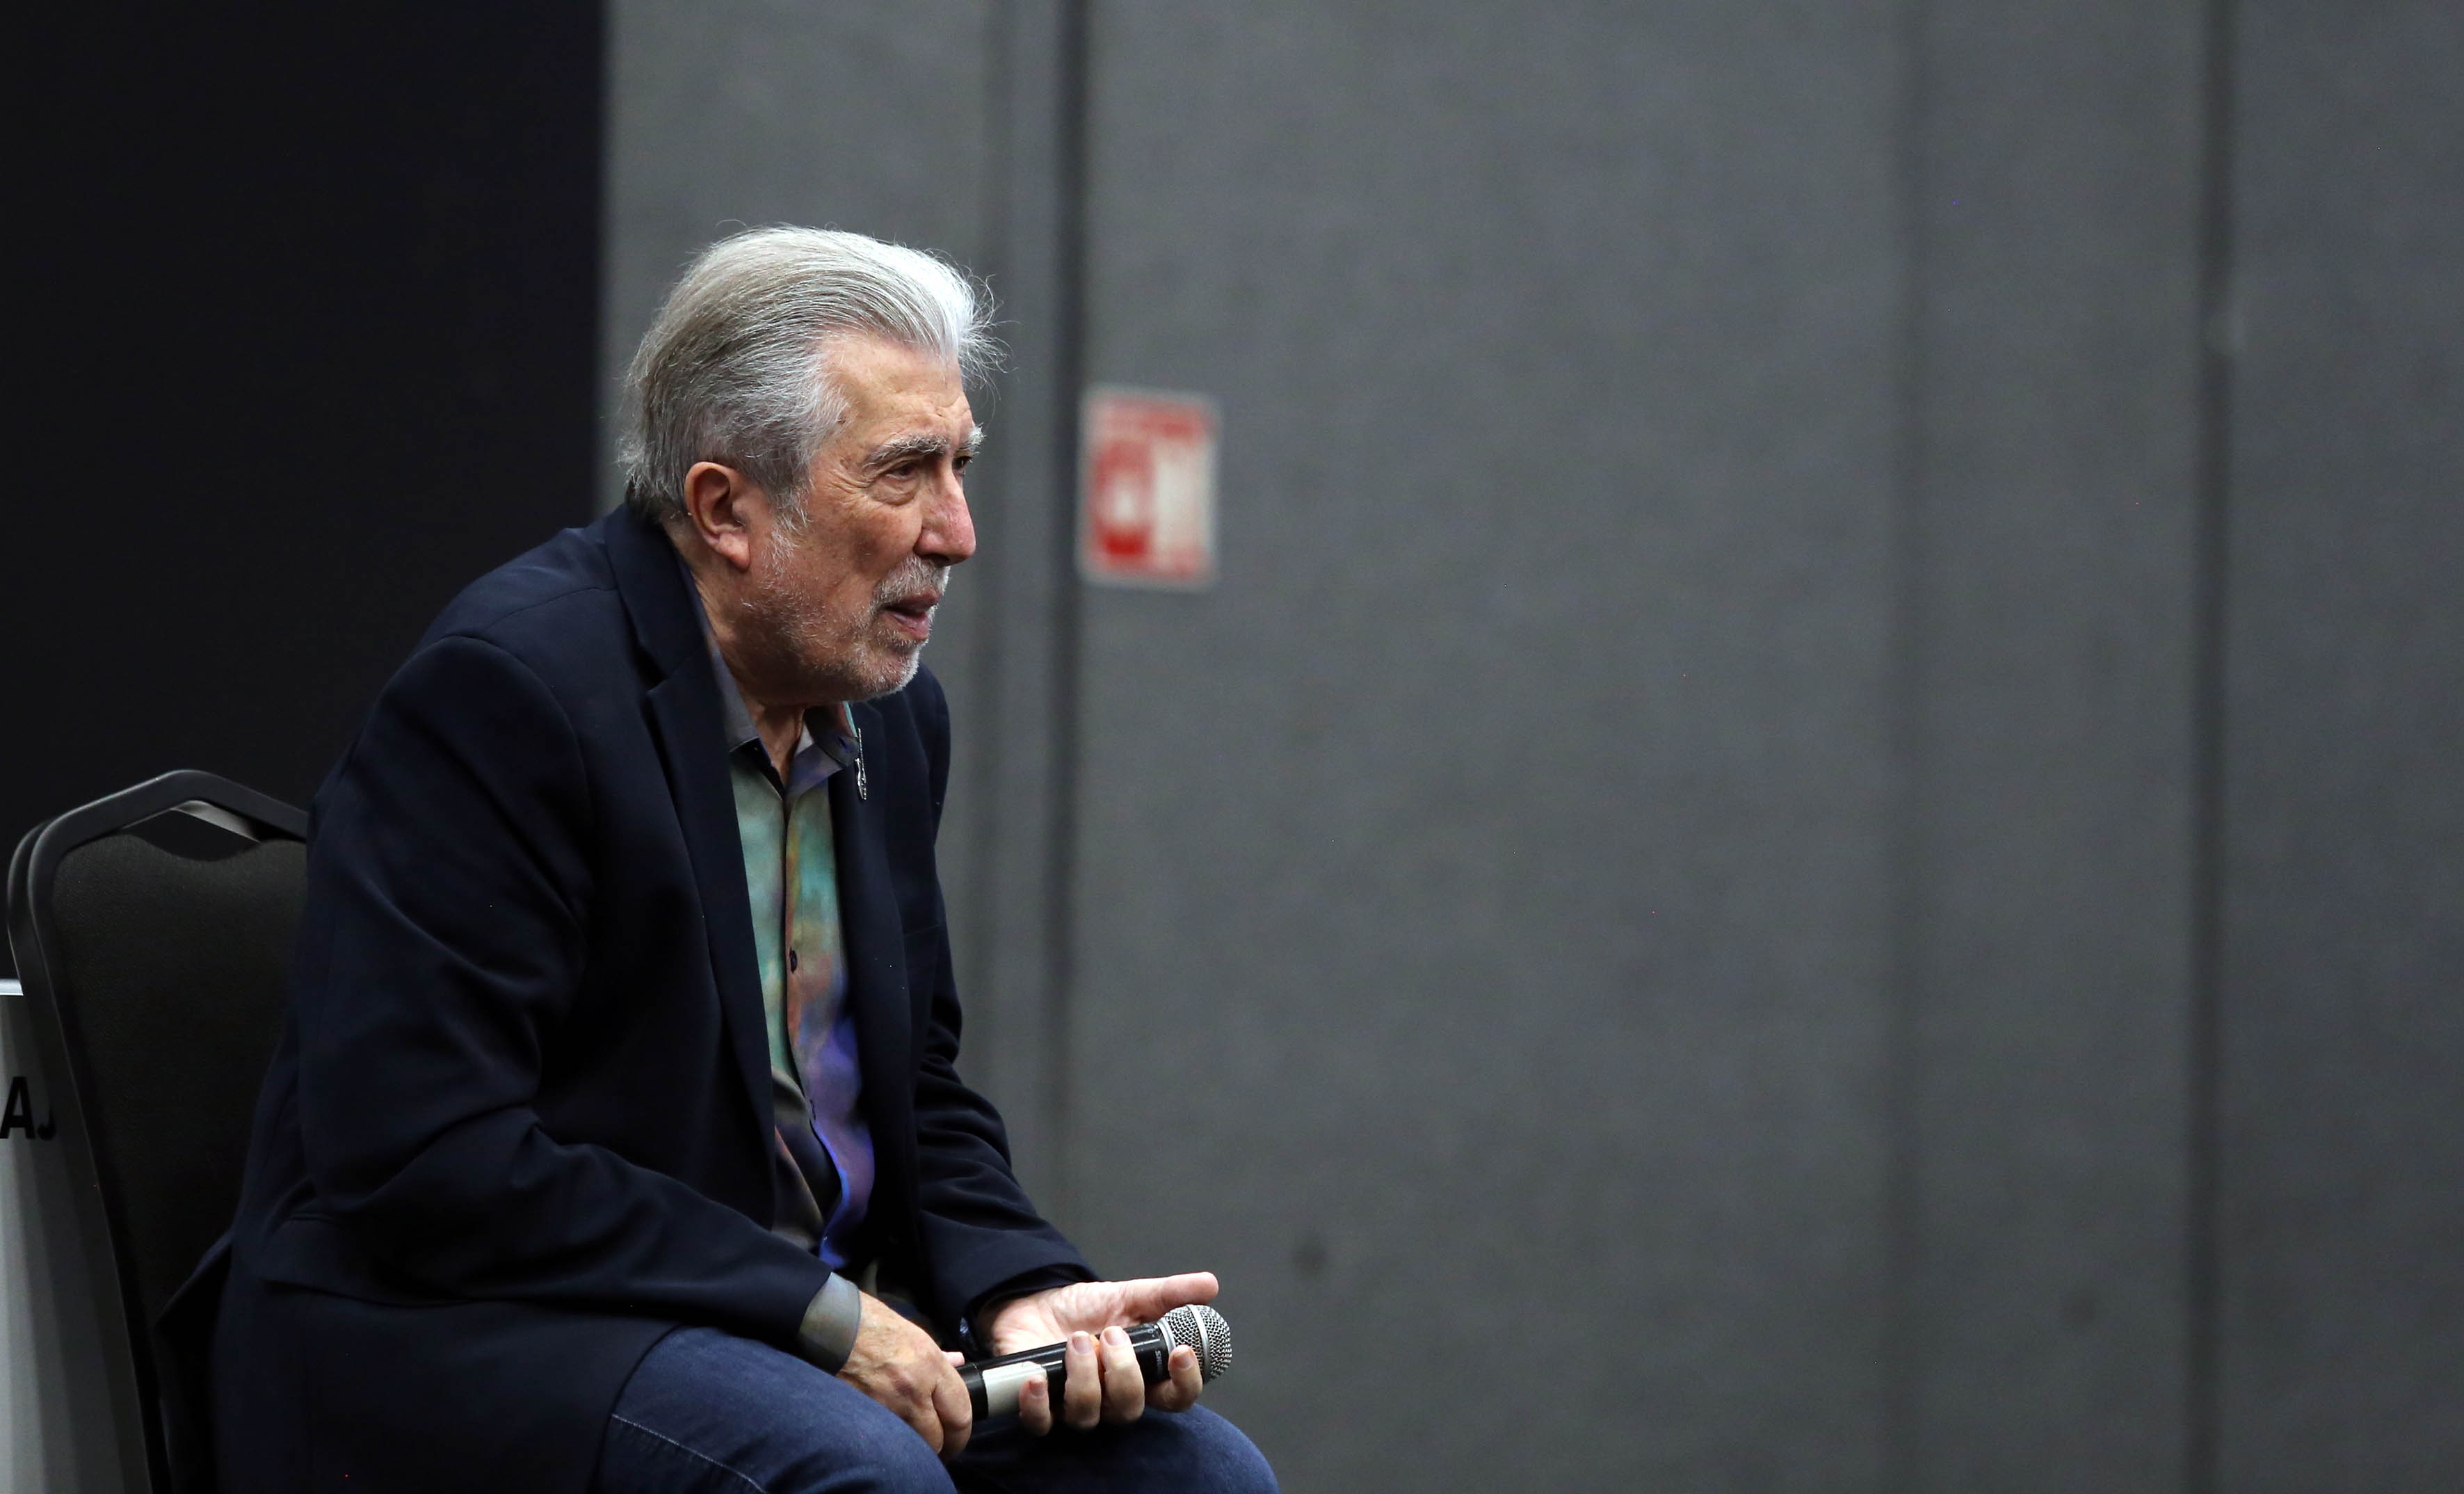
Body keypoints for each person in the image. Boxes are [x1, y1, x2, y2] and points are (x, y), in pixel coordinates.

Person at [208, 227, 1278, 1494]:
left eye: (961, 467)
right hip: (465, 1334)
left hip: (759, 1328)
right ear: (726, 510)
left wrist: (1018, 1288)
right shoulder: (512, 693)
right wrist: (819, 1314)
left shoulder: (889, 714)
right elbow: (427, 1157)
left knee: (1190, 1474)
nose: (959, 531)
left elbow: (912, 1097)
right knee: (854, 1471)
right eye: (904, 473)